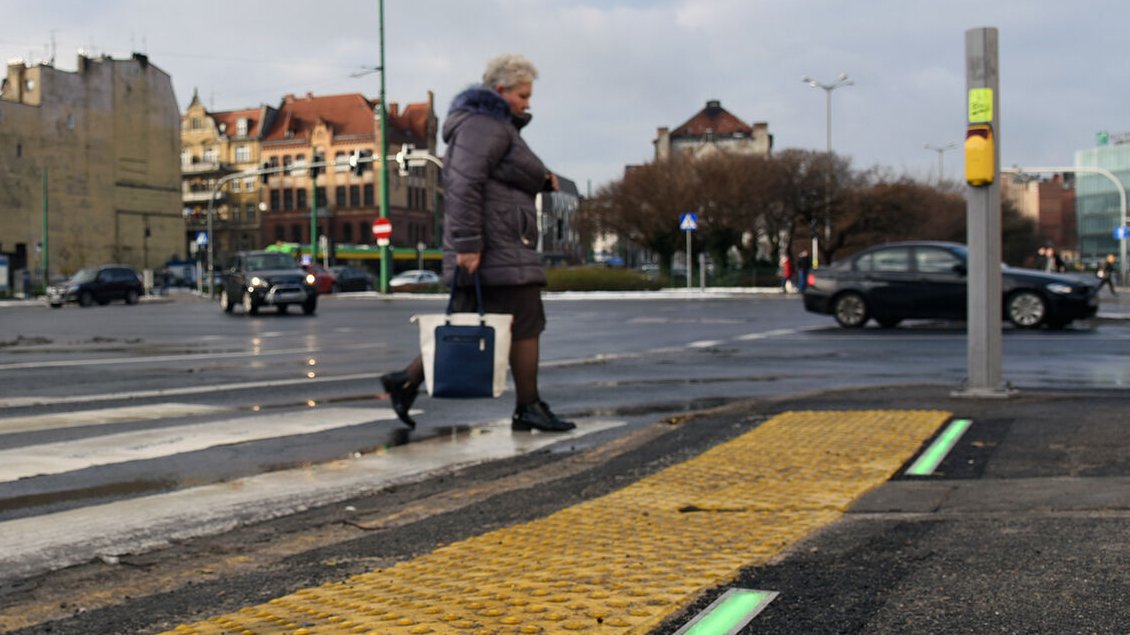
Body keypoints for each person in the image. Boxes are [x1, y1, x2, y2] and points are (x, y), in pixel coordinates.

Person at [379, 53, 575, 433]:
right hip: (494, 247)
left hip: (497, 245)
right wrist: (468, 243)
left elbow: (499, 174)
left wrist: (541, 178)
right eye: (522, 95)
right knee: (526, 324)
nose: (528, 103)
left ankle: (404, 381)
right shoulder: (485, 125)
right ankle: (529, 406)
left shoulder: (493, 126)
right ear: (500, 90)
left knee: (468, 323)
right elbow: (464, 184)